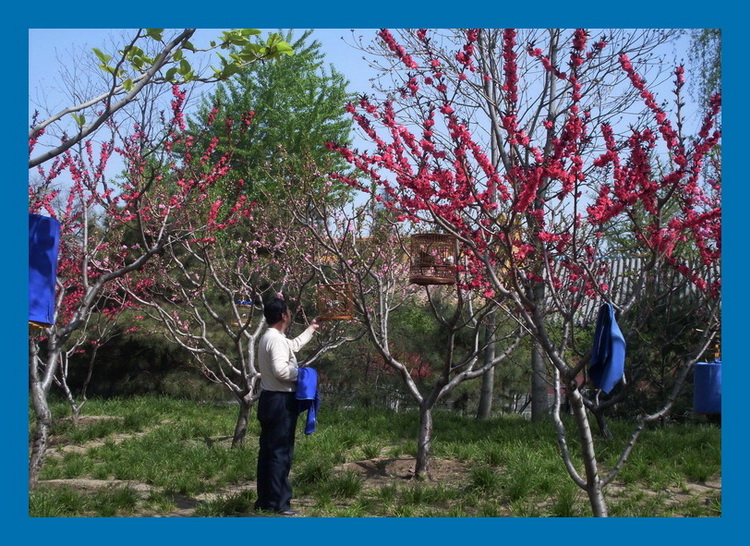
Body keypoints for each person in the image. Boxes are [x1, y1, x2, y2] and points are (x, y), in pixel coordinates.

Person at [254, 296, 320, 516]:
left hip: (269, 400)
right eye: (289, 312)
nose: (290, 315)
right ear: (283, 315)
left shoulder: (272, 337)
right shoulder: (276, 340)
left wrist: (311, 328)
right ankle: (279, 503)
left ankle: (265, 500)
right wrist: (302, 375)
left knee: (268, 452)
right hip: (280, 402)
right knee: (280, 453)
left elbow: (292, 346)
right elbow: (281, 371)